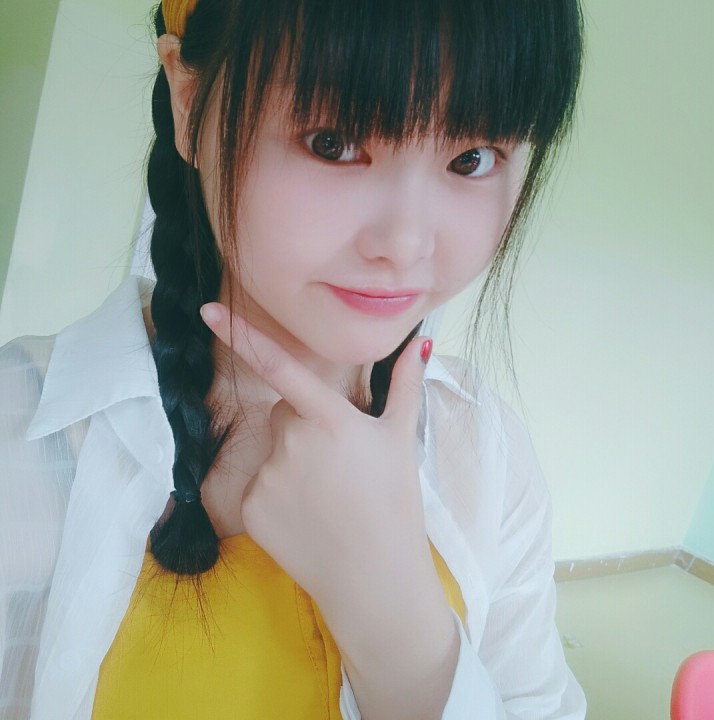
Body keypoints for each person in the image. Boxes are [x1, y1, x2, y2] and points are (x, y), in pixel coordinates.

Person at [0, 0, 586, 718]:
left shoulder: (487, 456)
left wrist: (400, 637)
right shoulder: (22, 437)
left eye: (472, 158)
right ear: (189, 104)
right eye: (332, 142)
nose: (405, 244)